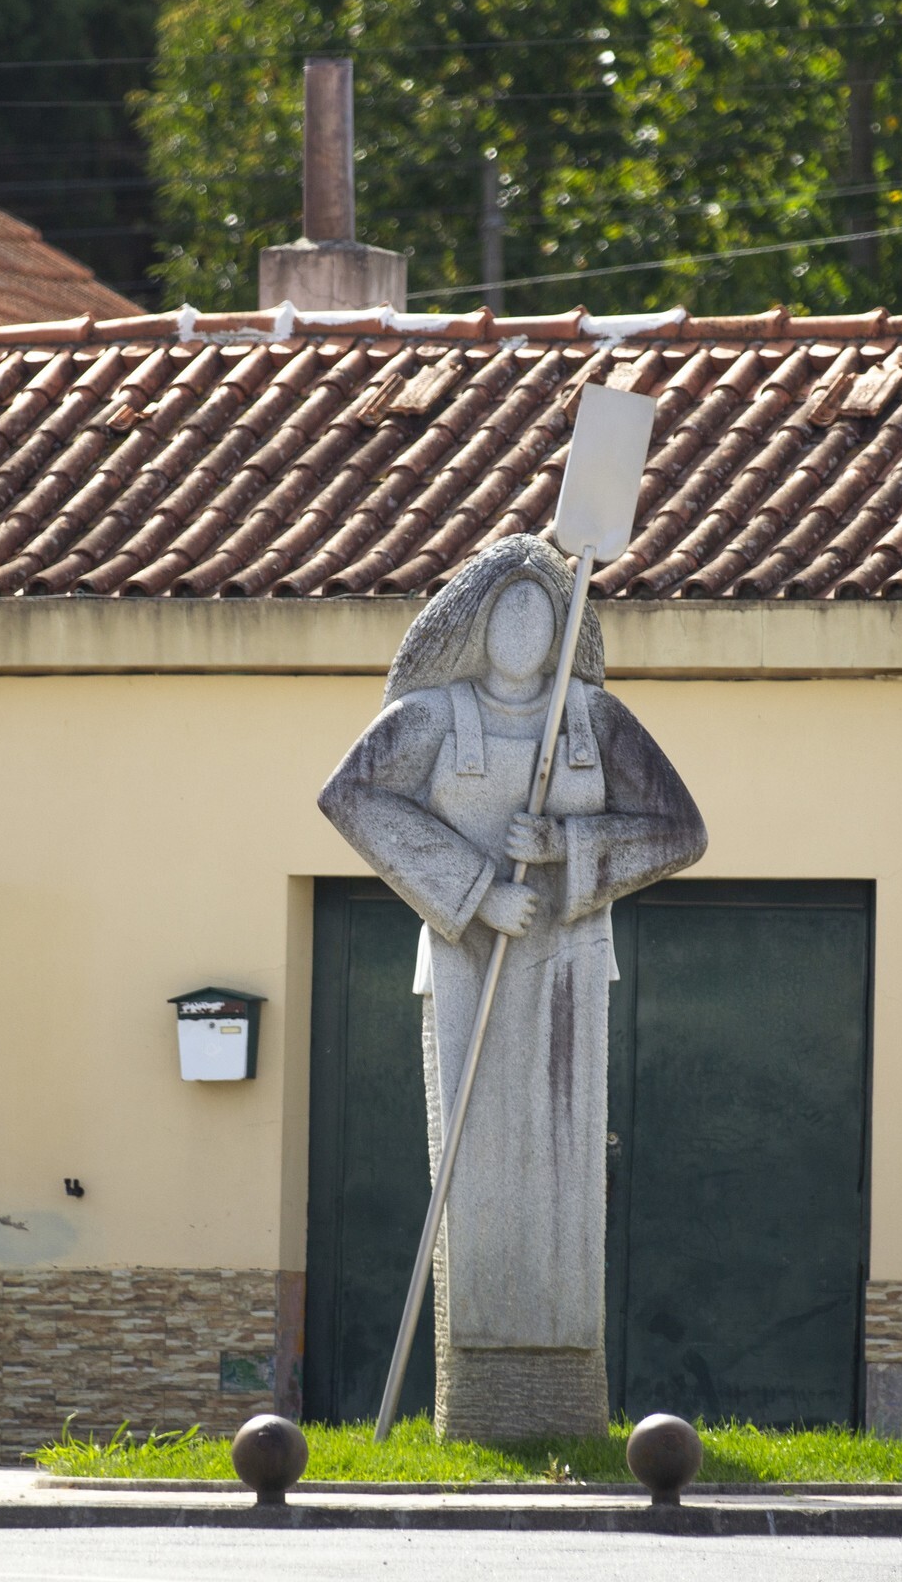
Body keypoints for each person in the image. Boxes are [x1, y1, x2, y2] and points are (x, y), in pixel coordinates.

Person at [318, 533, 707, 1438]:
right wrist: (475, 890)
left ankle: (561, 1374)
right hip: (469, 964)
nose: (527, 628)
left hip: (569, 967)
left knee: (563, 1167)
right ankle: (480, 1374)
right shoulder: (432, 718)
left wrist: (570, 848)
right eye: (510, 608)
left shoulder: (594, 720)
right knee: (477, 1161)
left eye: (544, 610)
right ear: (476, 624)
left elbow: (679, 830)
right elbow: (352, 796)